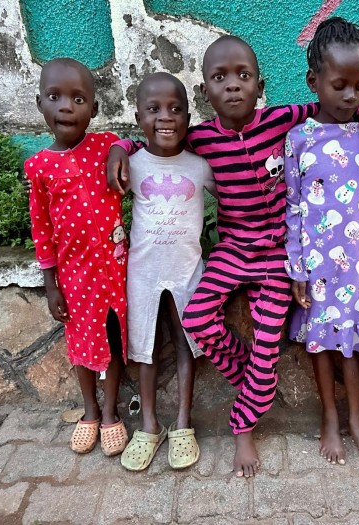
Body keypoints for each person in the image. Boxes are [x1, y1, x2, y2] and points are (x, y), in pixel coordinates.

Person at [107, 35, 359, 477]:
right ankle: (254, 374)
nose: (232, 85)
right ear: (204, 92)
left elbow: (346, 106)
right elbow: (154, 139)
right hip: (233, 250)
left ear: (260, 86)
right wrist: (120, 147)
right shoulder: (201, 137)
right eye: (220, 78)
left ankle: (242, 425)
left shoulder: (281, 119)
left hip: (278, 255)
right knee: (196, 318)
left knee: (268, 349)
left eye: (243, 76)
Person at [285, 17, 359, 470]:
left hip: (356, 265)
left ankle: (357, 422)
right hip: (317, 266)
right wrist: (296, 267)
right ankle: (329, 418)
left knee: (355, 346)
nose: (350, 96)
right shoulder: (298, 139)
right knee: (321, 343)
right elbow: (293, 206)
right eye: (339, 85)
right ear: (314, 82)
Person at [25, 58, 128, 457]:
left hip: (115, 272)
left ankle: (111, 412)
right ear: (40, 103)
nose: (67, 106)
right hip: (75, 278)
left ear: (95, 108)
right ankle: (90, 410)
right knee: (81, 344)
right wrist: (51, 285)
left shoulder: (105, 147)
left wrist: (120, 147)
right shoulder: (39, 167)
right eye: (55, 97)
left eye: (79, 99)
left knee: (113, 340)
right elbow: (42, 230)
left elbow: (127, 144)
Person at [119, 72, 216, 472]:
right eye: (154, 109)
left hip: (186, 270)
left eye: (176, 109)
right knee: (145, 347)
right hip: (142, 273)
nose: (165, 117)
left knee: (184, 343)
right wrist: (120, 147)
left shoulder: (199, 166)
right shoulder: (131, 165)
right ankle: (148, 425)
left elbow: (233, 196)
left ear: (188, 118)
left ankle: (183, 422)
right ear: (139, 117)